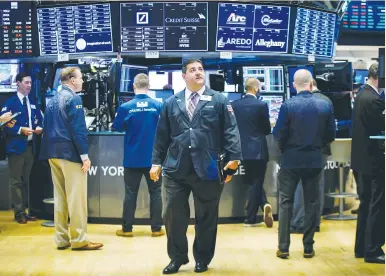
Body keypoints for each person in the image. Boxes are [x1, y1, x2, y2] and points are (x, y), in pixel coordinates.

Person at [150, 59, 242, 274]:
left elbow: (231, 130)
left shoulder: (219, 100)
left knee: (206, 217)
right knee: (172, 215)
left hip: (209, 168)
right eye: (193, 70)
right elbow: (161, 136)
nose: (198, 72)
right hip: (176, 168)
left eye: (200, 69)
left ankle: (202, 258)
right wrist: (156, 162)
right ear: (184, 76)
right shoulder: (171, 103)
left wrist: (234, 158)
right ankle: (177, 258)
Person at [273, 69, 335, 259]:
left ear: (294, 85)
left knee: (285, 203)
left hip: (291, 160)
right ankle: (308, 247)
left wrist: (285, 149)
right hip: (314, 160)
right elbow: (330, 135)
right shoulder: (325, 105)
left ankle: (283, 247)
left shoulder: (288, 105)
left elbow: (278, 135)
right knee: (312, 203)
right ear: (311, 84)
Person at [39, 67, 103, 251]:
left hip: (53, 154)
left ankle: (61, 239)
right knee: (76, 199)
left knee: (60, 198)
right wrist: (85, 157)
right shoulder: (74, 98)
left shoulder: (52, 100)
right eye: (81, 78)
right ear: (72, 80)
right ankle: (79, 239)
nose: (83, 81)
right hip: (70, 154)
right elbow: (79, 130)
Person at [113, 73, 164, 238]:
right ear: (148, 87)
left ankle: (127, 229)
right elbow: (165, 129)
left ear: (134, 86)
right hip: (153, 159)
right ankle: (156, 229)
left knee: (130, 193)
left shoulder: (125, 107)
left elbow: (117, 127)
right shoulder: (157, 106)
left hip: (132, 159)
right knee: (155, 193)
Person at [351, 63, 385, 264]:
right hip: (373, 161)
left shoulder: (362, 95)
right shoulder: (373, 100)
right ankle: (373, 249)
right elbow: (380, 128)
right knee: (376, 205)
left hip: (361, 160)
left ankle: (361, 248)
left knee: (365, 205)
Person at [290, 79, 334, 233]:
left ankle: (298, 222)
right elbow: (331, 132)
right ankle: (315, 223)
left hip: (302, 152)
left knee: (301, 188)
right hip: (321, 151)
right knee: (317, 187)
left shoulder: (298, 102)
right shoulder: (326, 101)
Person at [0, 72, 43, 224]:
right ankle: (19, 212)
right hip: (16, 148)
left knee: (26, 180)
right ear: (17, 83)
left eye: (30, 82)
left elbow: (40, 118)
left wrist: (39, 127)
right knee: (16, 181)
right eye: (26, 82)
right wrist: (19, 130)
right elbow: (4, 125)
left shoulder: (32, 102)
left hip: (30, 147)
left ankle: (25, 211)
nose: (29, 85)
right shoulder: (10, 103)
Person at [231, 77, 273, 228]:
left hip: (241, 150)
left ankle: (264, 203)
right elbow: (267, 130)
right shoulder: (261, 105)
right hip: (258, 150)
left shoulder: (235, 105)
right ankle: (251, 218)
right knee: (257, 181)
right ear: (256, 89)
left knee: (252, 181)